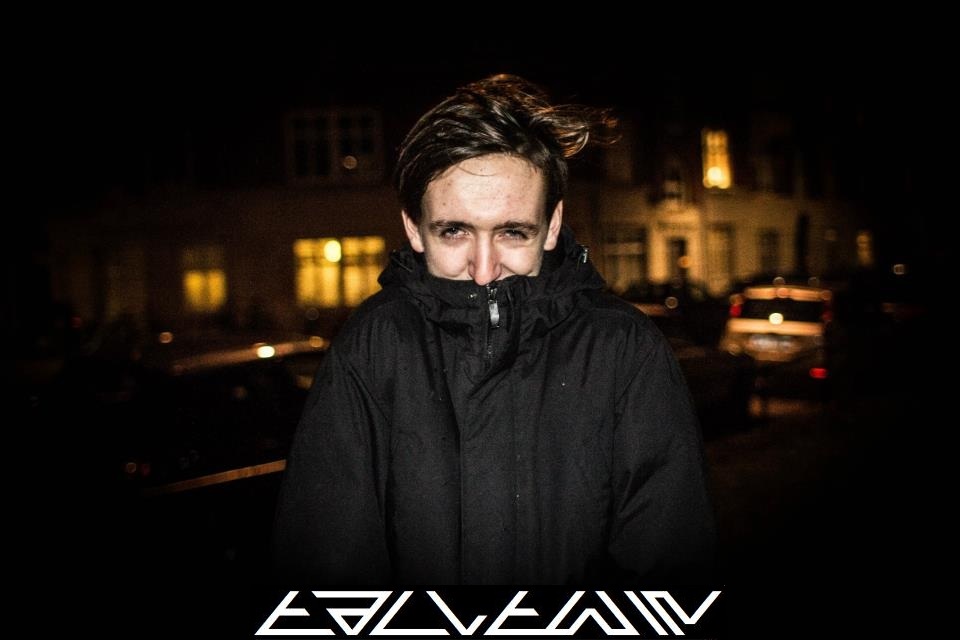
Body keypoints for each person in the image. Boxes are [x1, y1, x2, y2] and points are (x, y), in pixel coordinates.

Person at [271, 74, 715, 585]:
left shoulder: (625, 350)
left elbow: (669, 584)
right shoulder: (372, 346)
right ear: (414, 226)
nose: (484, 270)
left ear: (552, 225)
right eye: (454, 231)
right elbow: (324, 578)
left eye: (512, 232)